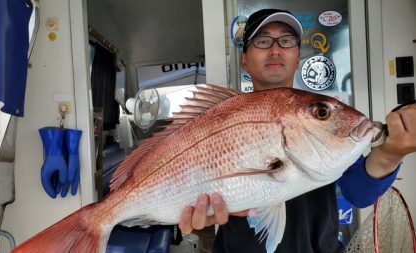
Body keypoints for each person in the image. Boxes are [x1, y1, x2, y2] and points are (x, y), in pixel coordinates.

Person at [178, 8, 416, 252]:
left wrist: (388, 155)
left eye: (286, 40)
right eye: (262, 41)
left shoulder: (323, 125)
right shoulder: (217, 118)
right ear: (244, 60)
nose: (275, 49)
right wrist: (189, 214)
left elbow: (358, 194)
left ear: (298, 57)